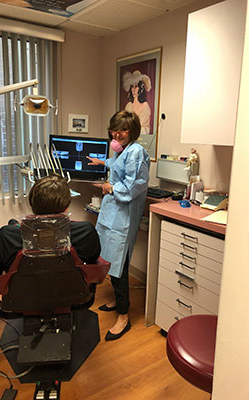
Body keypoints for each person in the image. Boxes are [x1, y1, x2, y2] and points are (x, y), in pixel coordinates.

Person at [87, 111, 150, 341]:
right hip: (112, 215)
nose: (118, 133)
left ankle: (124, 317)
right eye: (115, 129)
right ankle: (117, 301)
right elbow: (118, 165)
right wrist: (101, 162)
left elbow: (135, 186)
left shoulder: (137, 152)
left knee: (120, 266)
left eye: (123, 129)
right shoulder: (124, 151)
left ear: (132, 131)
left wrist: (110, 188)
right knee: (110, 261)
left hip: (123, 218)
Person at [0, 174, 101, 275]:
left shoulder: (7, 235)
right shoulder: (85, 231)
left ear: (32, 203)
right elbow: (93, 260)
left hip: (24, 297)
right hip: (75, 296)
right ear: (66, 207)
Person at [122, 70, 152, 134]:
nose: (133, 90)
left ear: (141, 88)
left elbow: (146, 129)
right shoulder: (128, 106)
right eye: (132, 87)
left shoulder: (145, 106)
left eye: (136, 87)